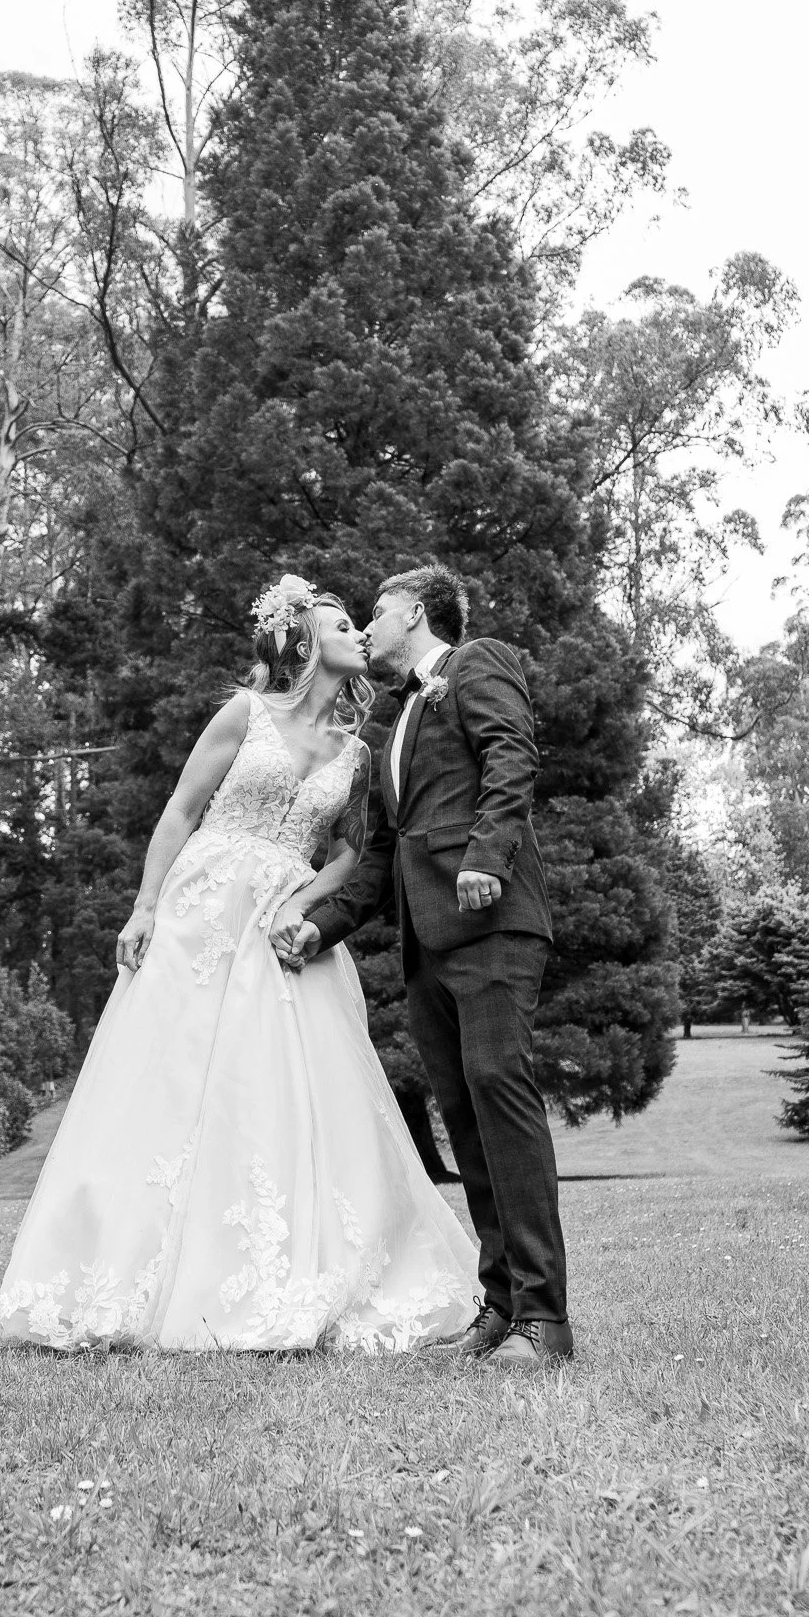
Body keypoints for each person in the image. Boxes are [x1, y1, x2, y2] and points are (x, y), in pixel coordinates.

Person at [0, 575, 477, 1354]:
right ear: (305, 643)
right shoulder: (244, 714)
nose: (359, 632)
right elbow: (180, 811)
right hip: (201, 909)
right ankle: (126, 1277)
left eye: (363, 622)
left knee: (278, 1085)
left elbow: (354, 852)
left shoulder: (359, 751)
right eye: (341, 624)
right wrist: (144, 906)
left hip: (282, 918)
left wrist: (302, 903)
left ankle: (283, 1271)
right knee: (172, 1080)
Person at [275, 564, 572, 1371]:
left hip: (492, 921)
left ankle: (545, 1321)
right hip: (427, 941)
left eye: (376, 612)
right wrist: (321, 924)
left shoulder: (477, 663)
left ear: (412, 611)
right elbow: (377, 857)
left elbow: (511, 756)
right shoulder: (391, 721)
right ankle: (501, 1306)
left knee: (500, 1103)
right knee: (467, 1121)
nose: (367, 627)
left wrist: (487, 858)